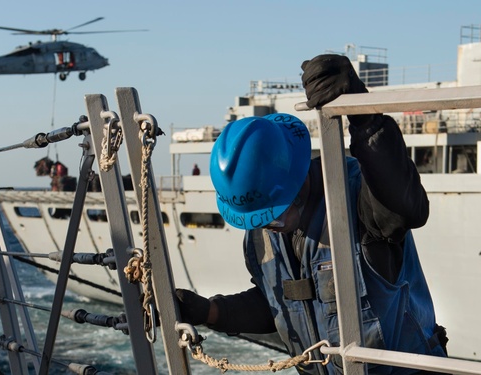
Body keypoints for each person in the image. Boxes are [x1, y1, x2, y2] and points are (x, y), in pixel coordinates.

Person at [175, 54, 448, 375]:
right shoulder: (263, 230)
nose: (268, 228)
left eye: (272, 216)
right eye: (257, 220)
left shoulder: (356, 196)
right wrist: (212, 311)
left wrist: (364, 118)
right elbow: (278, 304)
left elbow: (406, 207)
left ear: (297, 176)